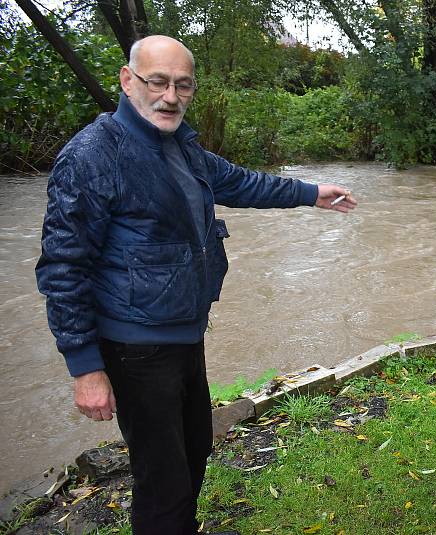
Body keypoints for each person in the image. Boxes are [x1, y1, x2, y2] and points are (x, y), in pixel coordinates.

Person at [35, 35, 356, 534]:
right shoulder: (92, 156)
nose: (170, 96)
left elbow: (240, 182)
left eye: (183, 86)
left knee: (192, 453)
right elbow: (63, 267)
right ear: (127, 80)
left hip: (183, 333)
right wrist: (85, 369)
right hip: (135, 347)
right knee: (163, 482)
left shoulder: (180, 143)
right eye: (157, 82)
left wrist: (312, 193)